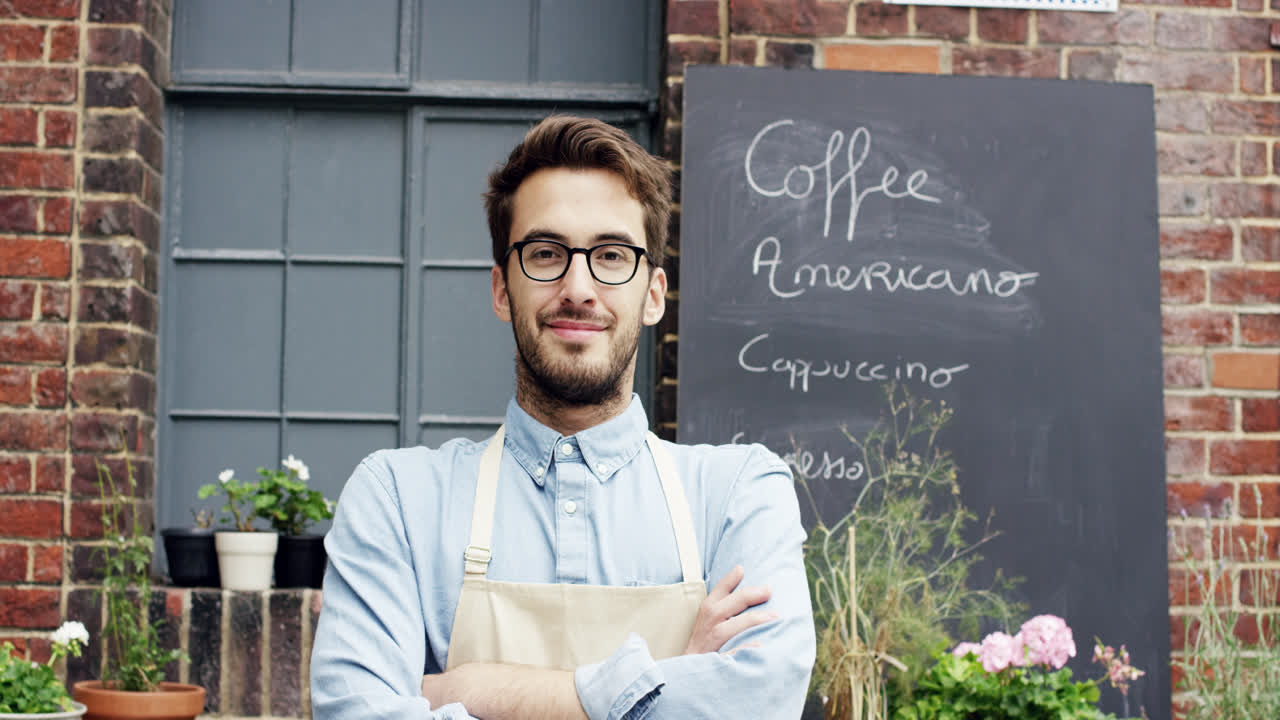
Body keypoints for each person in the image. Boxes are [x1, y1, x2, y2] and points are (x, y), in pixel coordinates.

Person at [310, 116, 815, 719]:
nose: (578, 287)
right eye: (546, 253)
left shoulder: (738, 492)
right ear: (502, 289)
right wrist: (658, 682)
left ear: (654, 294)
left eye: (611, 254)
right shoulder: (397, 497)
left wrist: (466, 691)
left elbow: (757, 702)